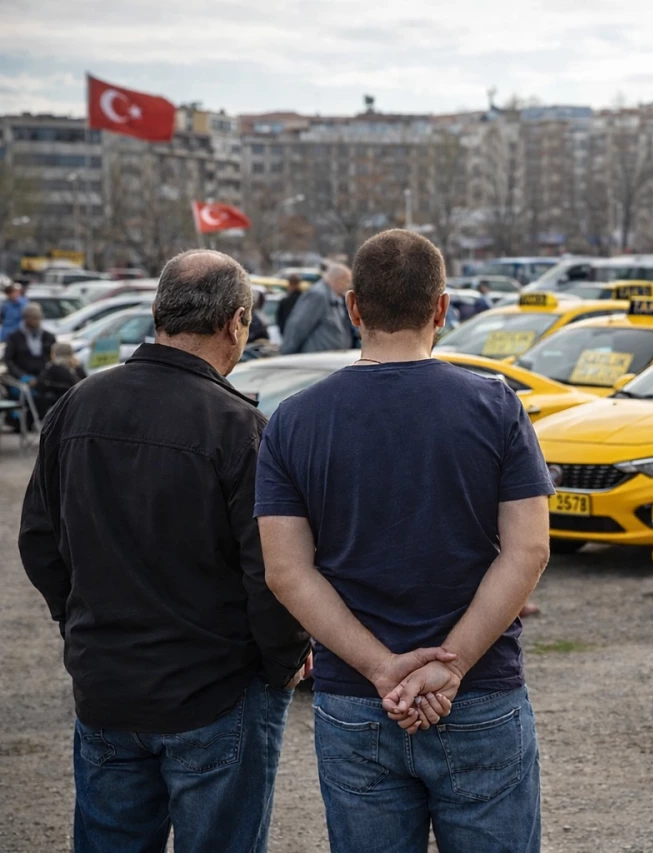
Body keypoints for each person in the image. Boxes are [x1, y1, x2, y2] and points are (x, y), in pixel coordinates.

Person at [19, 250, 337, 853]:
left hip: (110, 685)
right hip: (216, 694)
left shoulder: (78, 406)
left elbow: (39, 542)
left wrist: (83, 626)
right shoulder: (237, 426)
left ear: (160, 312)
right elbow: (273, 572)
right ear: (236, 322)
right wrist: (280, 665)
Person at [258, 229, 553, 853]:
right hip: (478, 691)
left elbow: (287, 572)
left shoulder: (295, 420)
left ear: (354, 308)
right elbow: (528, 550)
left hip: (357, 698)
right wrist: (453, 667)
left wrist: (381, 667)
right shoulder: (496, 406)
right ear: (441, 308)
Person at [279, 263, 353, 353]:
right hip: (315, 361)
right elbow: (298, 326)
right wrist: (286, 353)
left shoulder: (335, 298)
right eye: (347, 281)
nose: (348, 286)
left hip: (327, 360)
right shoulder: (318, 295)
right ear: (337, 280)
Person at [33, 341, 86, 415]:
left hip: (59, 404)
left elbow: (40, 385)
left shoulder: (52, 367)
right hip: (80, 403)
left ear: (54, 354)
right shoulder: (78, 366)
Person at [5, 303, 55, 381]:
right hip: (22, 377)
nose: (36, 321)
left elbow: (53, 358)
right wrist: (22, 376)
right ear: (25, 319)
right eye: (33, 318)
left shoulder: (48, 337)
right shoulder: (14, 337)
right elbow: (8, 360)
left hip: (44, 378)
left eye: (38, 318)